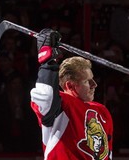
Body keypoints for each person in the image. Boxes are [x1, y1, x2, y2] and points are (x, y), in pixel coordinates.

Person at [30, 28, 113, 159]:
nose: (94, 85)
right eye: (87, 81)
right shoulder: (62, 105)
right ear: (70, 85)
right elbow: (45, 96)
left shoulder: (102, 112)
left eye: (93, 79)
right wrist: (47, 61)